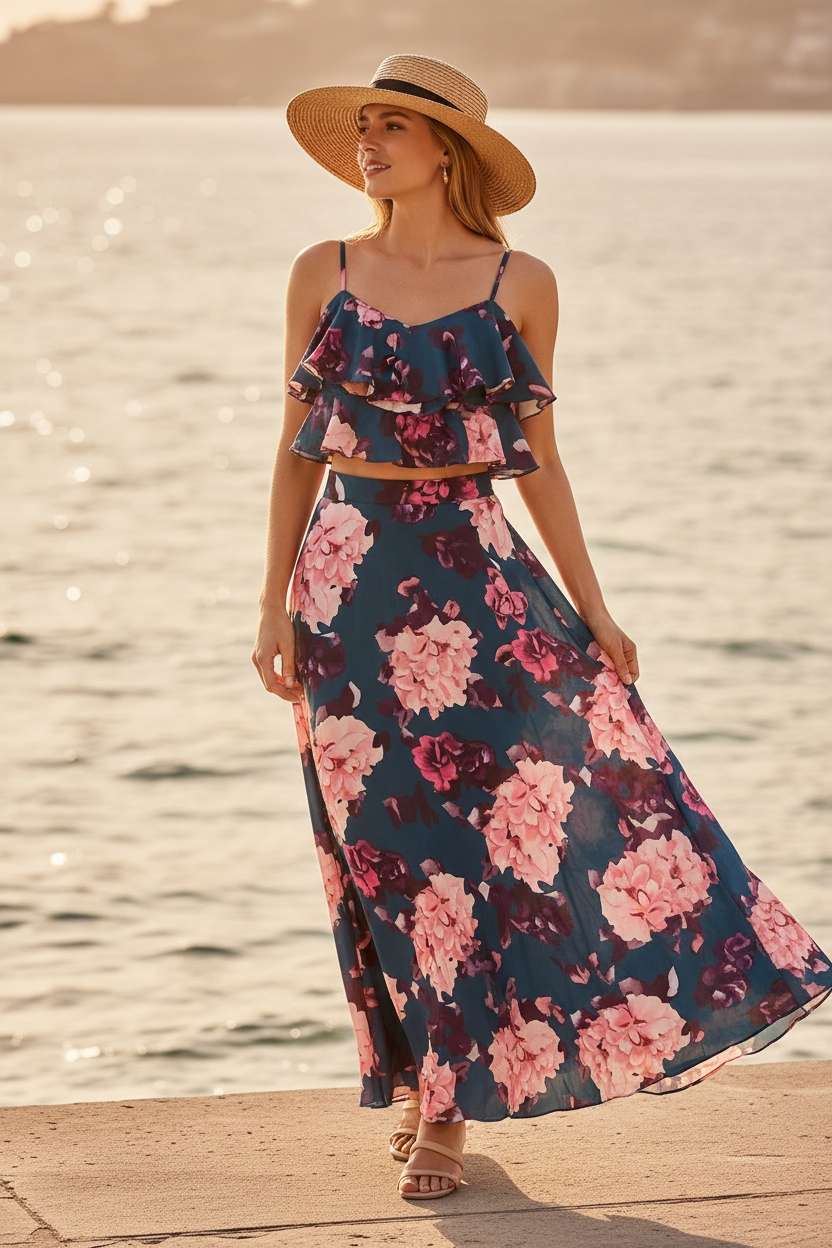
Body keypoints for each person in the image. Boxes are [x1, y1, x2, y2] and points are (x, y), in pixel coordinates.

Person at [252, 55, 831, 1201]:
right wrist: (269, 602)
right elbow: (291, 447)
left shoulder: (521, 283)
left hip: (480, 581)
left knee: (495, 840)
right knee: (383, 855)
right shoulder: (322, 270)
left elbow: (541, 461)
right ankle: (427, 1088)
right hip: (345, 582)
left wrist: (594, 603)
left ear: (447, 151)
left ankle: (455, 1113)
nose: (370, 145)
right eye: (363, 127)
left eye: (394, 129)